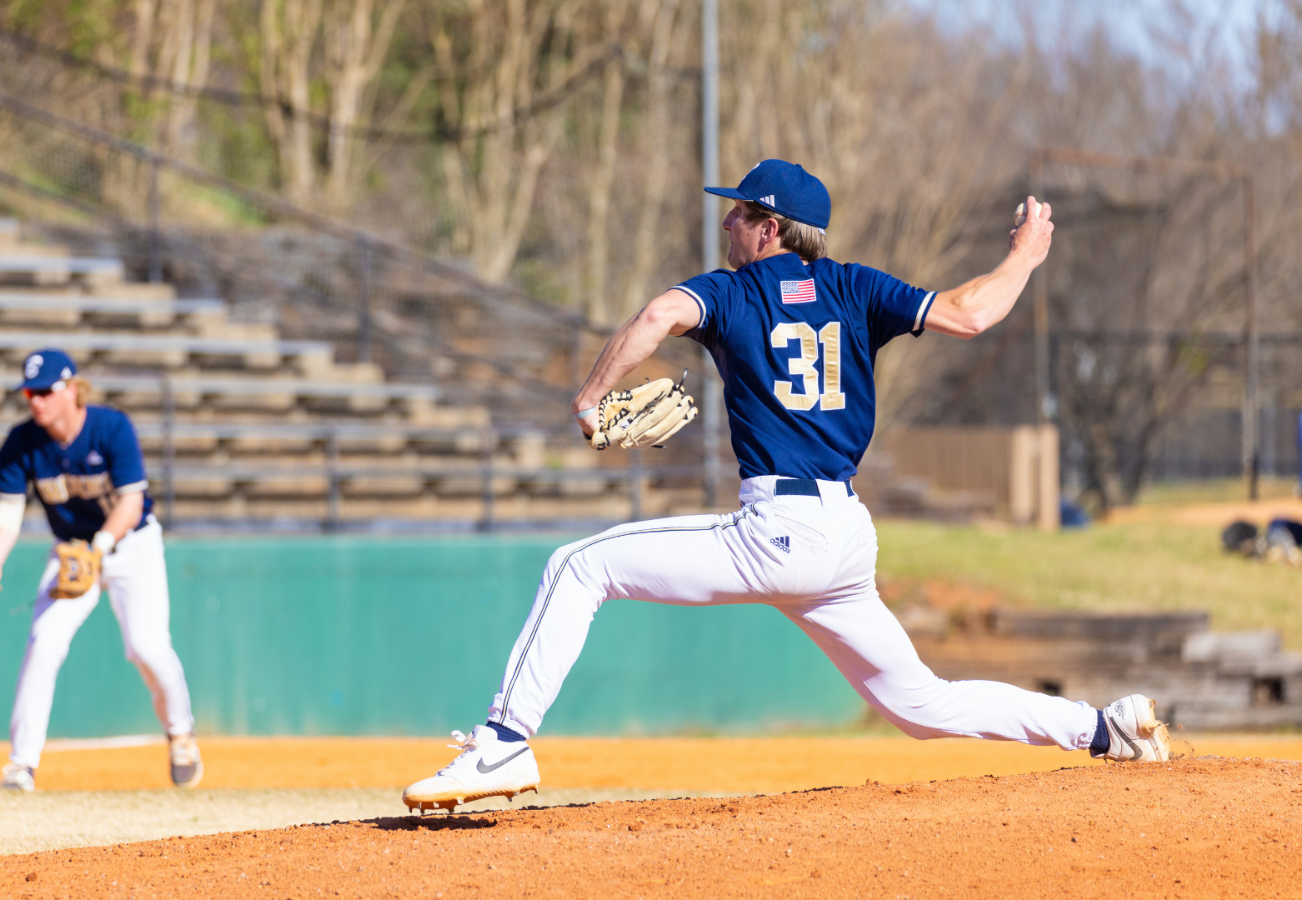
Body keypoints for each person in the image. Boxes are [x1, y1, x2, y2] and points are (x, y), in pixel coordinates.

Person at [402, 160, 1170, 813]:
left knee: (579, 566)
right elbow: (971, 315)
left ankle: (502, 745)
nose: (727, 224)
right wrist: (1027, 257)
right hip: (842, 539)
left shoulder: (733, 294)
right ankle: (1106, 729)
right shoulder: (855, 288)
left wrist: (588, 397)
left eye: (738, 214)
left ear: (769, 228)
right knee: (922, 704)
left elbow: (657, 314)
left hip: (774, 531)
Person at [0, 348, 203, 791]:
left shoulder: (109, 427)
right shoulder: (21, 443)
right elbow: (7, 511)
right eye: (29, 392)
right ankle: (21, 765)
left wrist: (101, 546)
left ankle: (180, 734)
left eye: (45, 391)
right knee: (43, 641)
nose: (36, 401)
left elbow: (132, 502)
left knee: (147, 647)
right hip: (72, 551)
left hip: (131, 544)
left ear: (71, 389)